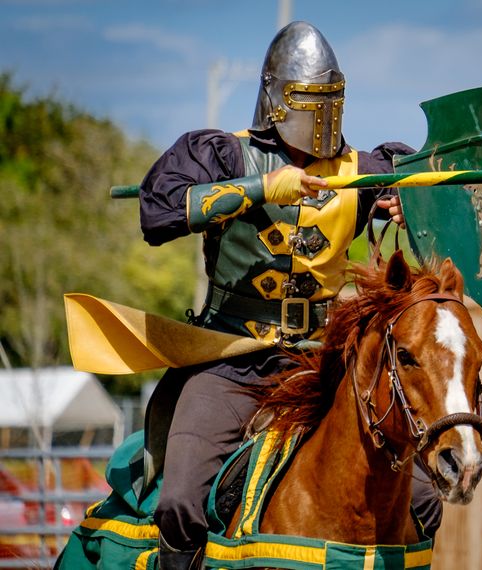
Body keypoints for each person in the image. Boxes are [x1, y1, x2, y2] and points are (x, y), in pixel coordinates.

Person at [139, 21, 439, 570]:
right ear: (275, 98)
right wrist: (257, 189)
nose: (322, 113)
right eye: (309, 99)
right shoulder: (224, 156)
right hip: (230, 360)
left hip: (323, 362)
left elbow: (429, 194)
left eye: (332, 99)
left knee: (421, 495)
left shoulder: (364, 170)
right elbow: (157, 214)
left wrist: (409, 205)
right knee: (180, 500)